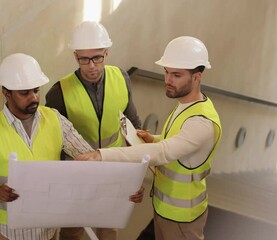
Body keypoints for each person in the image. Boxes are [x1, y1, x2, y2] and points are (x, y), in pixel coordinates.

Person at [0, 53, 144, 240]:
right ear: (6, 92)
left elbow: (92, 161)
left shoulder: (55, 119)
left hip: (48, 233)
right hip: (9, 235)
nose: (33, 98)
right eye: (24, 93)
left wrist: (126, 186)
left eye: (36, 90)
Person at [76, 36, 222, 240]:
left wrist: (102, 155)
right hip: (166, 209)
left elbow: (164, 152)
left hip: (182, 218)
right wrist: (153, 138)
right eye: (167, 72)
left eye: (176, 75)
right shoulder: (186, 105)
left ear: (197, 77)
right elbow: (176, 142)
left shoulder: (201, 122)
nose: (168, 80)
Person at [45, 21, 142, 240]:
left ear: (106, 54)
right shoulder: (59, 92)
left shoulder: (121, 78)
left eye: (97, 57)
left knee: (108, 227)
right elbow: (53, 142)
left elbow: (132, 123)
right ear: (75, 57)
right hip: (77, 174)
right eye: (84, 59)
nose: (91, 66)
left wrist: (135, 170)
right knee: (73, 230)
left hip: (112, 168)